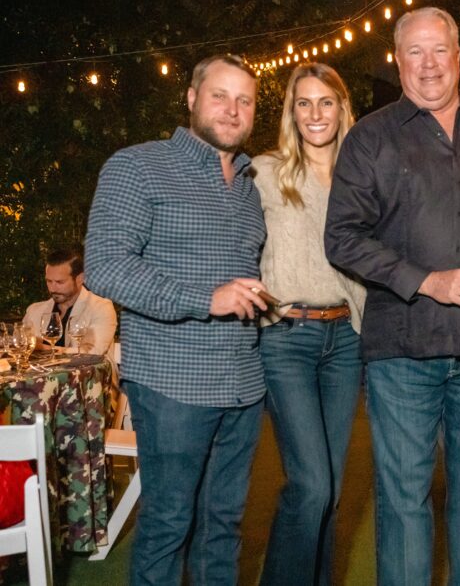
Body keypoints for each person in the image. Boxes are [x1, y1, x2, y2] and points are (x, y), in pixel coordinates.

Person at [324, 7, 460, 585]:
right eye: (414, 52)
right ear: (398, 61)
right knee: (403, 503)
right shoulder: (370, 137)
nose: (428, 64)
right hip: (401, 351)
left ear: (458, 56)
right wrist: (426, 280)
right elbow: (341, 237)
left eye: (439, 49)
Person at [85, 54, 269, 584]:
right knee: (168, 524)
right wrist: (205, 298)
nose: (232, 109)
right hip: (173, 383)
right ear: (191, 98)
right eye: (219, 96)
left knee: (222, 528)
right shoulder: (138, 166)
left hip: (243, 385)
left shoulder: (250, 187)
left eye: (244, 100)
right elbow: (105, 265)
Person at [252, 63, 367, 585]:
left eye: (326, 101)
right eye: (304, 102)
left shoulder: (362, 178)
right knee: (312, 485)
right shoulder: (266, 172)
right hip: (287, 339)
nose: (315, 113)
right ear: (291, 112)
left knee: (331, 489)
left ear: (343, 108)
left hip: (346, 341)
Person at [23, 245, 117, 355]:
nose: (52, 288)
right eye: (49, 281)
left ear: (80, 279)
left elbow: (92, 352)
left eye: (60, 282)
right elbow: (22, 345)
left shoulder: (101, 308)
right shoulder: (34, 310)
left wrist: (43, 348)